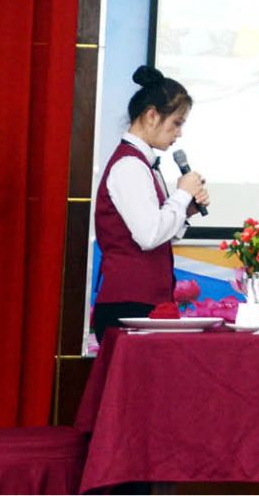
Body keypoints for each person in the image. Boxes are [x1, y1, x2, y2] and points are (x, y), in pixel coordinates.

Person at [90, 65, 210, 340]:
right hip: (128, 302)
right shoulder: (129, 165)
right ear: (152, 115)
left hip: (142, 301)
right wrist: (181, 194)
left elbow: (156, 231)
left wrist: (185, 210)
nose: (179, 133)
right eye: (177, 123)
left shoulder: (142, 163)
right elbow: (149, 235)